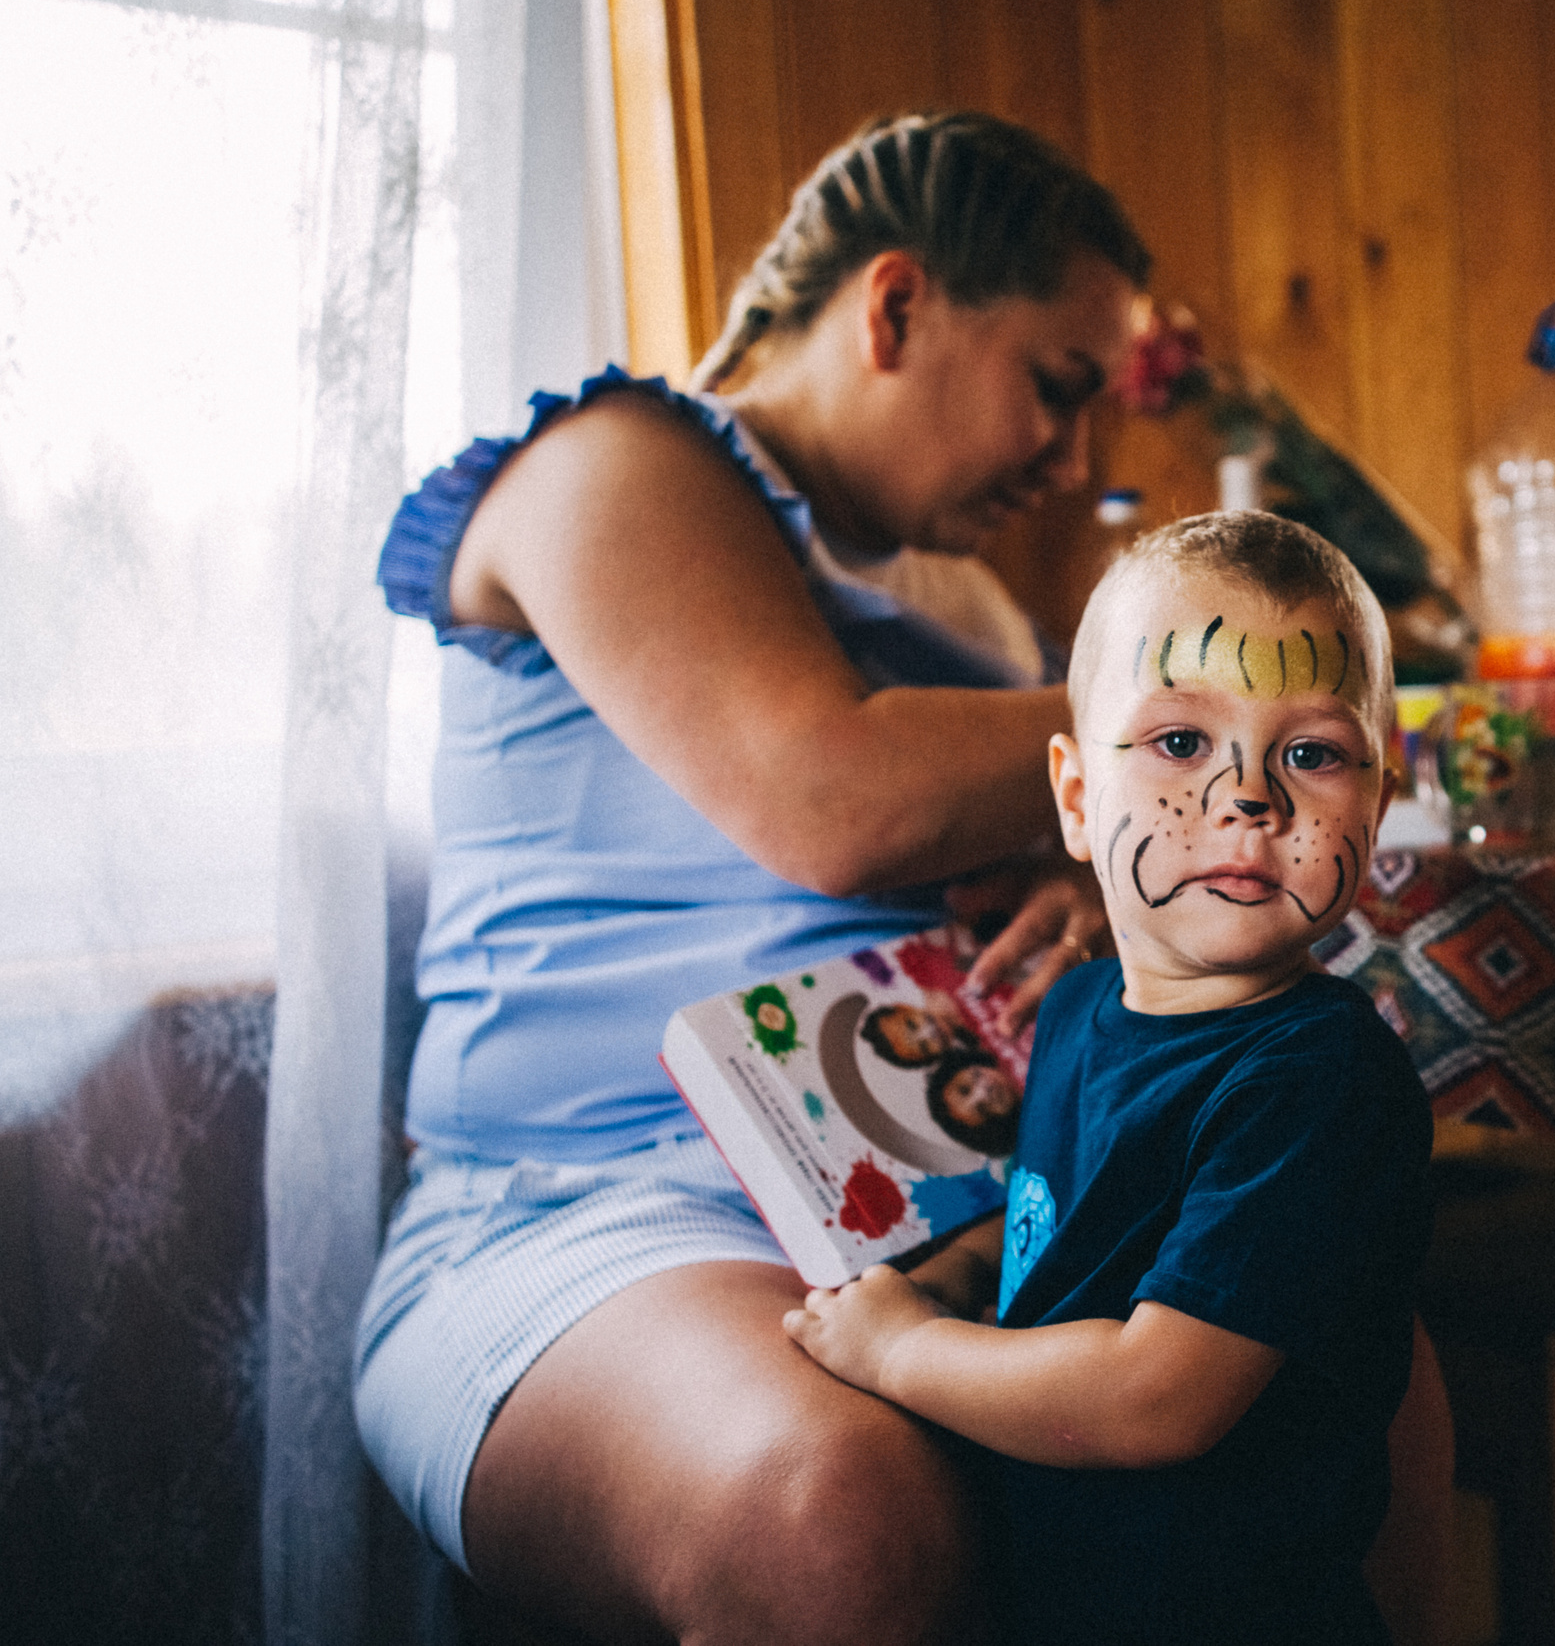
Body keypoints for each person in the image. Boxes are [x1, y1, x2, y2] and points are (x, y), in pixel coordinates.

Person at [351, 110, 1452, 1646]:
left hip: (959, 1180)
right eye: (1056, 389)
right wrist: (1257, 717)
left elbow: (1041, 850)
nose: (1073, 457)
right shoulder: (613, 463)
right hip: (593, 1205)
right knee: (837, 1512)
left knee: (1346, 1350)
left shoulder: (962, 599)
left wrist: (1093, 892)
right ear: (896, 307)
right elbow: (831, 799)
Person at [785, 510, 1431, 1645]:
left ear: (1375, 807)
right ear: (1077, 802)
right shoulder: (1081, 1006)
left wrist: (900, 1349)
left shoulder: (1317, 1081)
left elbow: (1156, 1398)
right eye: (1180, 742)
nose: (1249, 798)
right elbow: (1075, 1214)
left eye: (1314, 754)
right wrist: (960, 1270)